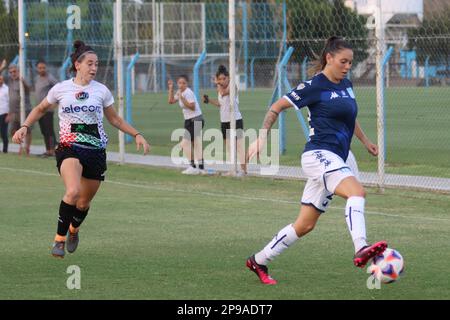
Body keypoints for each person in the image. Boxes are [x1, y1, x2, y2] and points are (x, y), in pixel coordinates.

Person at [245, 36, 387, 285]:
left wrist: (365, 141)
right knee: (357, 192)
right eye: (343, 61)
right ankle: (361, 248)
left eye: (350, 63)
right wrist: (261, 138)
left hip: (339, 157)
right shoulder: (314, 86)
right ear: (329, 58)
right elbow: (276, 107)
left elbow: (348, 117)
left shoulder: (346, 84)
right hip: (318, 155)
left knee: (305, 225)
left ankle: (258, 260)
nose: (347, 67)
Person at [12, 40, 151, 258]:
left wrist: (137, 134)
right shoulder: (60, 89)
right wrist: (25, 126)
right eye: (90, 63)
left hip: (95, 152)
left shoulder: (101, 91)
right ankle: (59, 240)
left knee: (83, 203)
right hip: (69, 148)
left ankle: (74, 230)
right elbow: (40, 108)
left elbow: (114, 119)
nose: (94, 68)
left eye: (97, 64)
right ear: (78, 65)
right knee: (73, 192)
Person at [203, 65, 247, 176]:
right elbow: (220, 104)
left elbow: (223, 92)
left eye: (224, 78)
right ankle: (233, 169)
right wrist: (209, 100)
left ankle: (244, 170)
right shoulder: (220, 89)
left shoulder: (233, 86)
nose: (222, 81)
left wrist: (217, 83)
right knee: (229, 147)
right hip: (224, 121)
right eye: (220, 79)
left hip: (236, 120)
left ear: (229, 78)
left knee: (239, 146)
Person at [168, 75, 206, 175]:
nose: (181, 85)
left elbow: (192, 107)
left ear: (187, 83)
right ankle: (200, 168)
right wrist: (171, 89)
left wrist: (182, 98)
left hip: (196, 119)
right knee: (195, 143)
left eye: (183, 83)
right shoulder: (179, 92)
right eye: (179, 83)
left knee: (185, 143)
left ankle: (193, 167)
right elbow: (171, 101)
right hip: (189, 121)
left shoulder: (188, 93)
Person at [0, 62, 33, 155]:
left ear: (18, 71)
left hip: (24, 109)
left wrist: (22, 81)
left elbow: (28, 90)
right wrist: (2, 68)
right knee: (14, 130)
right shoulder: (9, 80)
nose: (12, 74)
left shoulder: (23, 78)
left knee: (27, 130)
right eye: (10, 72)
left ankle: (26, 148)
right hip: (13, 111)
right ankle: (20, 145)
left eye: (14, 71)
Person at [34, 60, 58, 157]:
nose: (42, 69)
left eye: (43, 67)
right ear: (37, 68)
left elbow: (59, 88)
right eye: (40, 68)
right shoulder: (37, 78)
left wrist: (55, 103)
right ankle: (48, 150)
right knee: (44, 130)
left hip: (47, 110)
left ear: (46, 68)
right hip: (40, 110)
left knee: (49, 130)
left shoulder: (50, 78)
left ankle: (52, 150)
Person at [0, 74, 9, 153]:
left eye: (1, 79)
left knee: (3, 132)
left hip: (4, 113)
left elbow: (10, 102)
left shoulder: (6, 89)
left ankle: (5, 149)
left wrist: (9, 114)